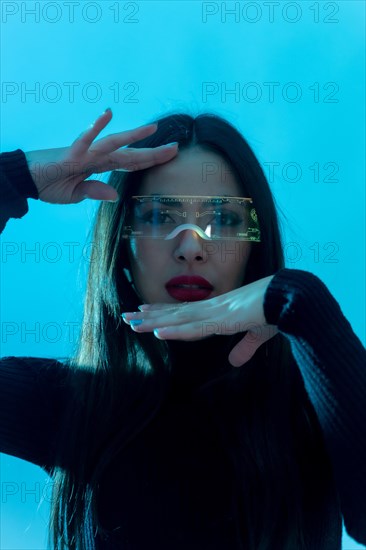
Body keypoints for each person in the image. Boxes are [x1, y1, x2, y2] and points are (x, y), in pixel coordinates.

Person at [0, 108, 365, 550]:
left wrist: (300, 301)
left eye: (224, 219)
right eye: (158, 217)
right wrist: (17, 177)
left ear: (257, 246)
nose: (191, 246)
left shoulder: (314, 400)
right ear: (121, 249)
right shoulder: (64, 401)